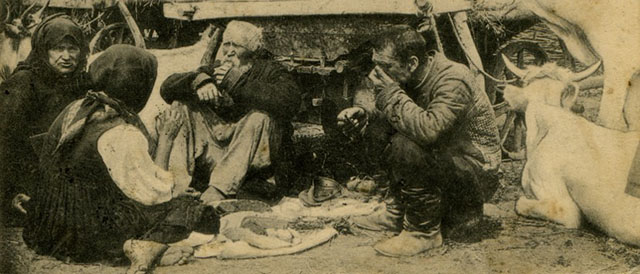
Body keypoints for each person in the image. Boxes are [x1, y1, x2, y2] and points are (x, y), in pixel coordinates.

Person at [21, 45, 219, 273]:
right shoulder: (121, 132)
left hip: (48, 226)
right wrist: (166, 140)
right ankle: (149, 248)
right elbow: (154, 196)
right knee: (193, 210)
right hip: (85, 233)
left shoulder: (78, 107)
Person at [338, 25, 501, 257]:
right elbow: (398, 113)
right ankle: (396, 210)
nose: (377, 73)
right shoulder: (410, 74)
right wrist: (362, 113)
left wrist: (391, 94)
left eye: (385, 66)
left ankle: (424, 232)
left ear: (412, 63)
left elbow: (429, 131)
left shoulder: (453, 78)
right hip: (448, 163)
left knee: (407, 143)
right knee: (376, 128)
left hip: (476, 174)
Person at [159, 20, 301, 203]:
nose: (230, 51)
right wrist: (200, 81)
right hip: (218, 149)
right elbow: (167, 87)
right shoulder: (216, 69)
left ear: (251, 50)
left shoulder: (270, 70)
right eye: (226, 44)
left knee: (260, 117)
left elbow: (290, 102)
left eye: (237, 45)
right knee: (181, 105)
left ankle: (220, 189)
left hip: (251, 157)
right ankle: (179, 182)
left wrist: (236, 82)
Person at [0, 14, 92, 226]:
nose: (66, 56)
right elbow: (5, 141)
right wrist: (13, 192)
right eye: (58, 49)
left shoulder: (81, 83)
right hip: (22, 181)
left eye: (72, 49)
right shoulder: (23, 83)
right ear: (43, 50)